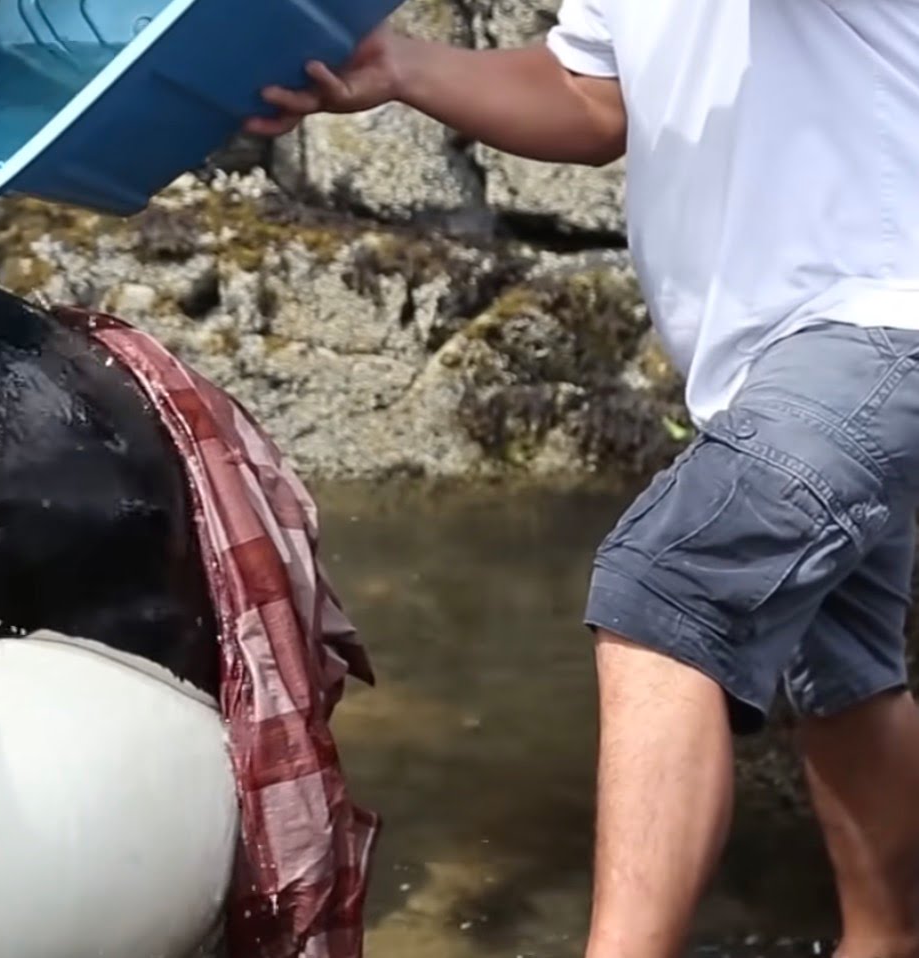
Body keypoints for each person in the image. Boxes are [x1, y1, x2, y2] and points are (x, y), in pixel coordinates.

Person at [248, 3, 919, 957]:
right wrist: (401, 66)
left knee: (668, 582)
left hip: (877, 316)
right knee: (842, 669)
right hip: (775, 360)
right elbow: (592, 97)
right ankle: (886, 941)